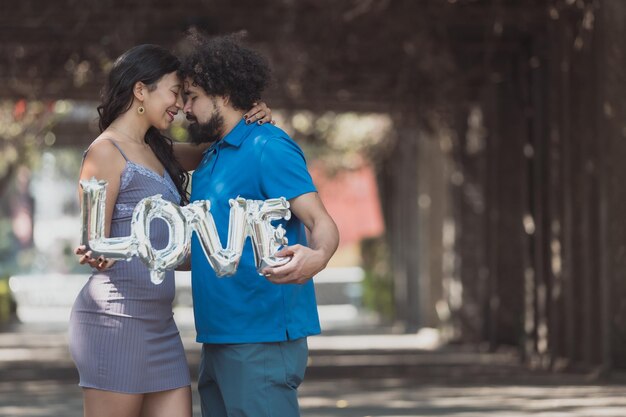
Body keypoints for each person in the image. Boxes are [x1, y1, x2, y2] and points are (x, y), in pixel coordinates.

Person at [70, 44, 273, 417]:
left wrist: (250, 114)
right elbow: (92, 241)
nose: (180, 104)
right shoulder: (105, 152)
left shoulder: (159, 151)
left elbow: (223, 145)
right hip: (114, 321)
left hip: (161, 325)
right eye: (175, 92)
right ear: (140, 90)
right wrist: (94, 251)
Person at [179, 33, 339, 417]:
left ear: (224, 94)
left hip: (262, 339)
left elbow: (321, 220)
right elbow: (146, 150)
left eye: (192, 96)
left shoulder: (268, 146)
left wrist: (317, 257)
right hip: (218, 337)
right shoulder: (210, 157)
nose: (184, 107)